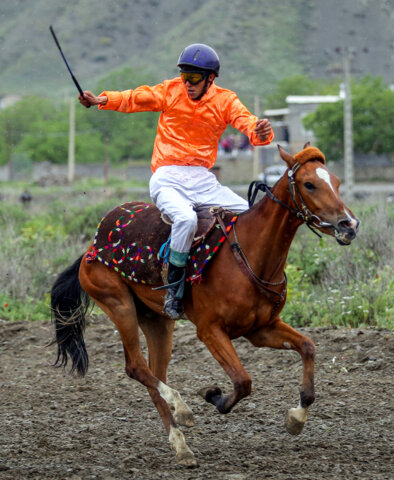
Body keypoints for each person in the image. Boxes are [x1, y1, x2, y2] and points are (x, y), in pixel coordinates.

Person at [78, 43, 273, 319]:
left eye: (194, 78)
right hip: (167, 176)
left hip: (203, 179)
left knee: (248, 214)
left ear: (210, 79)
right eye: (184, 77)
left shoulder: (226, 101)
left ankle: (249, 280)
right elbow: (136, 98)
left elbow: (249, 124)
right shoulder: (171, 91)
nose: (187, 83)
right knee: (186, 220)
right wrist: (101, 100)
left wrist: (261, 131)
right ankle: (174, 291)